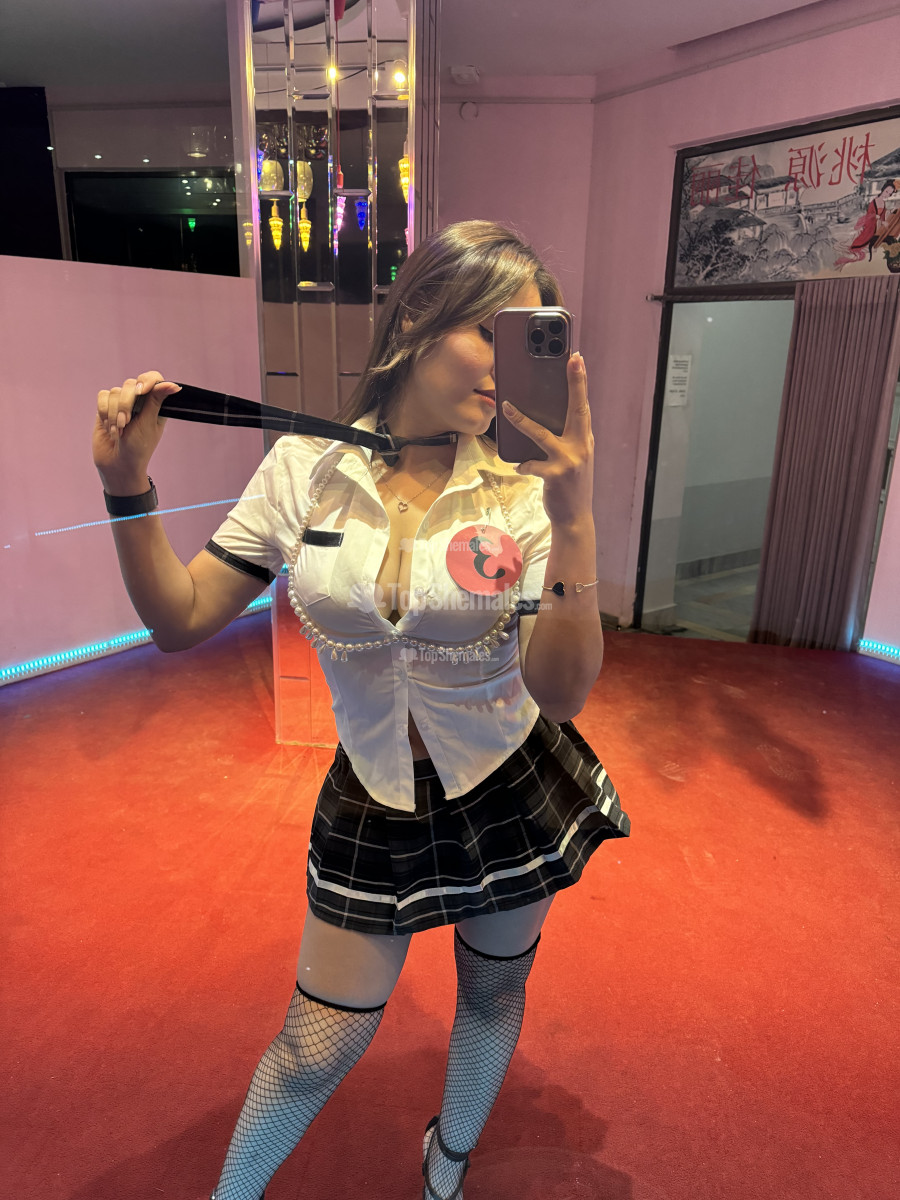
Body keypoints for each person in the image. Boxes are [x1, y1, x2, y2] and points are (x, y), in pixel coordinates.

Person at [92, 220, 629, 1200]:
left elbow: (561, 692)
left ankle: (445, 1168)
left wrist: (576, 519)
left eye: (531, 340)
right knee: (314, 1044)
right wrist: (127, 490)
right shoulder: (305, 468)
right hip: (374, 791)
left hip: (506, 782)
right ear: (418, 316)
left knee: (493, 990)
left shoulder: (524, 491)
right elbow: (182, 618)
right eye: (490, 332)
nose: (507, 366)